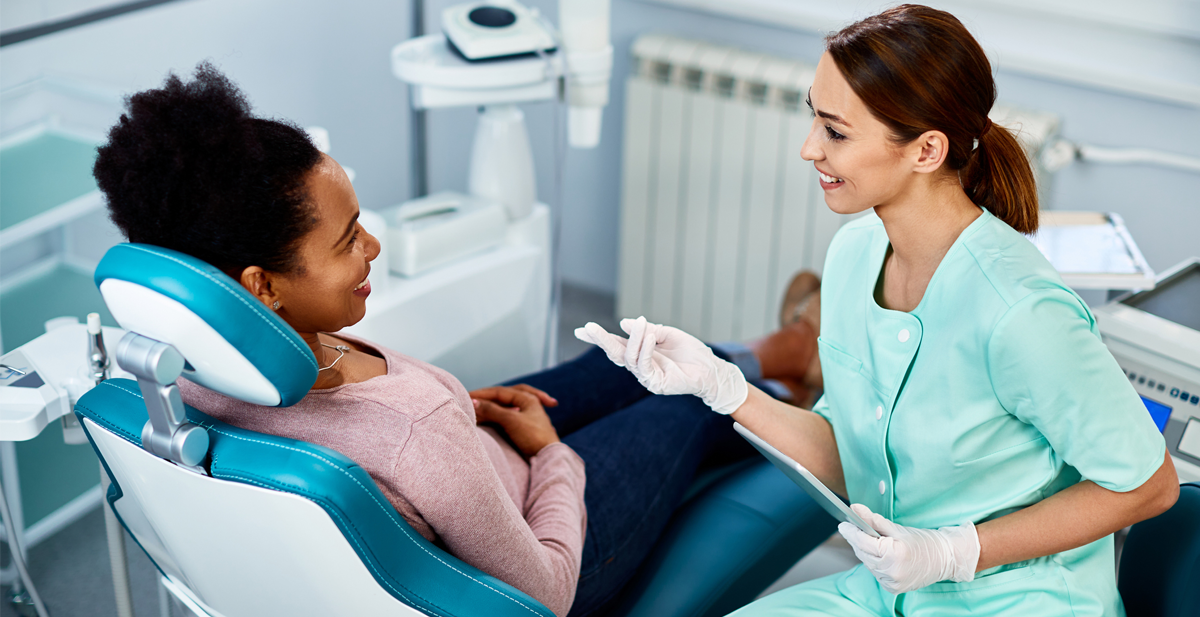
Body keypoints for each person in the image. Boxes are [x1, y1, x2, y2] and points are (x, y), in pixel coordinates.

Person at [91, 63, 820, 617]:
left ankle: (785, 354)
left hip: (462, 463)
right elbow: (548, 593)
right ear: (262, 287)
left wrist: (452, 416)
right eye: (348, 239)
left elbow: (380, 444)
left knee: (614, 359)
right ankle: (819, 404)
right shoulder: (416, 431)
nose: (373, 246)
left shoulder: (182, 380)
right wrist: (549, 453)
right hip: (554, 541)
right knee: (685, 400)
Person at [577, 4, 1179, 617]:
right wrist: (722, 387)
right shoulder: (854, 255)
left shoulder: (1019, 313)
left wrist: (954, 552)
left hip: (1021, 599)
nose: (809, 148)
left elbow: (1149, 485)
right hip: (892, 591)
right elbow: (850, 454)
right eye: (813, 115)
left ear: (925, 151)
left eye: (836, 132)